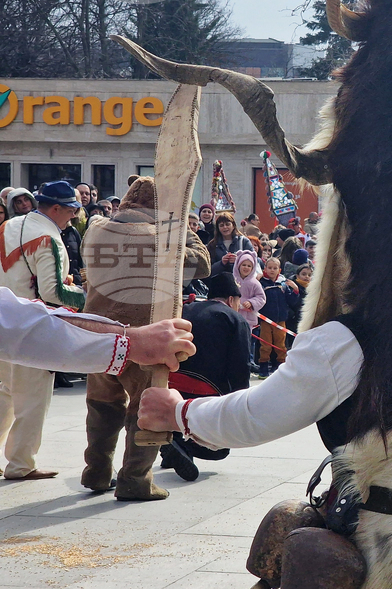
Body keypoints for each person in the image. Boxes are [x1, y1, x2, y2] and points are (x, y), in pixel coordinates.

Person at [79, 175, 211, 499]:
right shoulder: (162, 237)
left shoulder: (96, 228)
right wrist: (178, 223)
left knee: (101, 407)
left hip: (98, 334)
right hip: (143, 338)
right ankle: (135, 480)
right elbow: (203, 264)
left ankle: (96, 472)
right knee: (144, 408)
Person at [0, 181, 87, 479]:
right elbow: (53, 293)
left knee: (5, 393)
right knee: (33, 397)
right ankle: (21, 464)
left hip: (2, 320)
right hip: (31, 327)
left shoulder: (7, 226)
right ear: (56, 208)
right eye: (71, 210)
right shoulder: (49, 237)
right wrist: (84, 295)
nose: (74, 216)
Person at [160, 273, 255, 482]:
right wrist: (241, 398)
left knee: (178, 418)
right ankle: (183, 446)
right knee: (220, 449)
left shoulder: (185, 309)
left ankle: (172, 445)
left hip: (171, 382)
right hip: (207, 389)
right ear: (232, 299)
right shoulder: (235, 318)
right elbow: (240, 365)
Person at [257, 257, 299, 377]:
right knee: (265, 344)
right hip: (266, 320)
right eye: (269, 268)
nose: (272, 270)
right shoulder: (261, 283)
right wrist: (256, 279)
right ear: (265, 269)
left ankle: (280, 366)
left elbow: (292, 301)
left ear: (279, 270)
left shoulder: (283, 284)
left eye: (275, 268)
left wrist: (295, 290)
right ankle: (263, 367)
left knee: (280, 345)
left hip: (280, 320)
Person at [205, 212, 255, 276]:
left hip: (241, 282)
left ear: (233, 225)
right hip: (219, 282)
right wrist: (221, 263)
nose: (225, 227)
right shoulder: (212, 245)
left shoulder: (244, 241)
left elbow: (253, 260)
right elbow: (208, 270)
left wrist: (239, 260)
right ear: (218, 228)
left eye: (227, 224)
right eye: (221, 225)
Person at [234, 250, 265, 331]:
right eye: (243, 265)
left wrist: (251, 302)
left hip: (248, 319)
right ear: (238, 265)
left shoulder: (255, 283)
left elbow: (261, 298)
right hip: (233, 314)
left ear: (253, 268)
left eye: (249, 266)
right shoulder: (232, 280)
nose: (246, 267)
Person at [285, 264, 311, 348]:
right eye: (303, 274)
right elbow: (292, 303)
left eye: (309, 275)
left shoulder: (313, 289)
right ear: (297, 276)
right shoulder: (291, 286)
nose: (306, 277)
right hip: (293, 321)